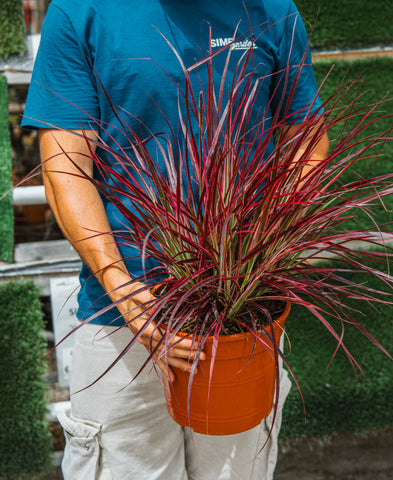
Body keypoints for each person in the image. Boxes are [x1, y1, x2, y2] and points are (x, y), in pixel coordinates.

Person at [22, 0, 329, 478]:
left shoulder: (271, 10)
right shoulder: (82, 10)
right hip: (119, 321)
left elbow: (305, 137)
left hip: (240, 317)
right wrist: (127, 295)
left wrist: (259, 253)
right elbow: (66, 166)